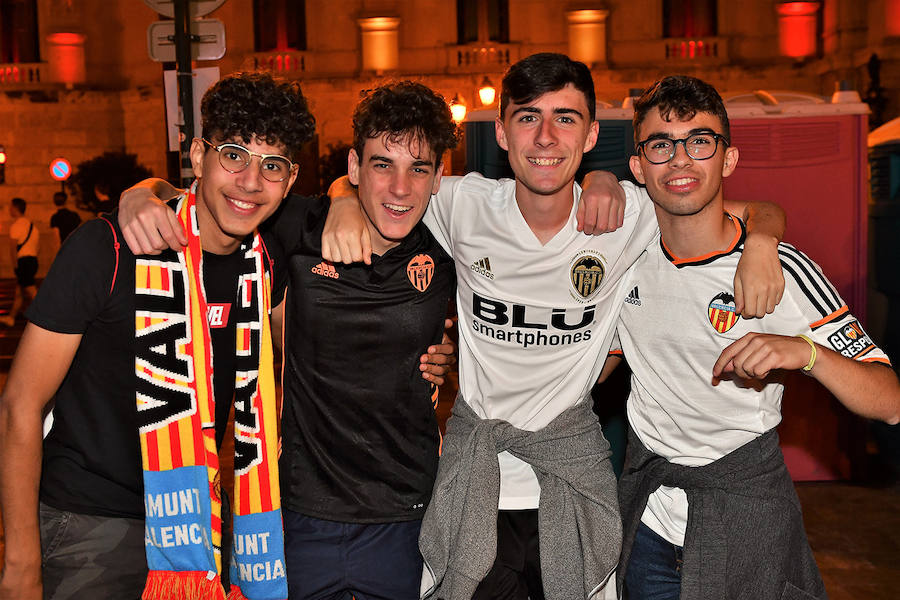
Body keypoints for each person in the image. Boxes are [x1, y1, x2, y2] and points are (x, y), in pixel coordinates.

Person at [321, 53, 787, 600]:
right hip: (477, 480)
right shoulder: (463, 204)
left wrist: (762, 242)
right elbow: (381, 187)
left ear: (591, 134)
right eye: (527, 117)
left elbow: (746, 208)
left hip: (571, 483)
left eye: (565, 118)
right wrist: (342, 201)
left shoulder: (629, 215)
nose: (545, 137)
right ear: (501, 131)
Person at [116, 81, 459, 600]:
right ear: (353, 165)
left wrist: (445, 359)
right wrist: (141, 191)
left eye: (419, 168)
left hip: (406, 518)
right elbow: (210, 198)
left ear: (439, 178)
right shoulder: (298, 227)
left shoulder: (451, 249)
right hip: (296, 516)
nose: (400, 187)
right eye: (382, 164)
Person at [0, 71, 315, 600]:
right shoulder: (111, 248)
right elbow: (19, 405)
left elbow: (318, 351)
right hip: (89, 524)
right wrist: (20, 565)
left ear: (289, 178)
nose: (251, 181)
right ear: (198, 156)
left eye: (272, 165)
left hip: (211, 525)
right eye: (234, 155)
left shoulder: (265, 265)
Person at [602, 75, 900, 600]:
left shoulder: (781, 269)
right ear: (639, 167)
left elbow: (890, 400)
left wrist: (805, 354)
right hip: (648, 520)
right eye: (660, 145)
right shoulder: (623, 256)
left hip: (746, 516)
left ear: (728, 159)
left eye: (700, 142)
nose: (680, 160)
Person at [1, 197, 39, 327]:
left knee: (32, 291)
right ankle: (11, 317)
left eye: (11, 206)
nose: (9, 209)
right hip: (33, 260)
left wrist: (15, 266)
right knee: (19, 291)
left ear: (15, 208)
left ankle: (44, 316)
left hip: (23, 262)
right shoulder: (32, 225)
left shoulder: (16, 226)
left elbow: (12, 249)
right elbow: (37, 246)